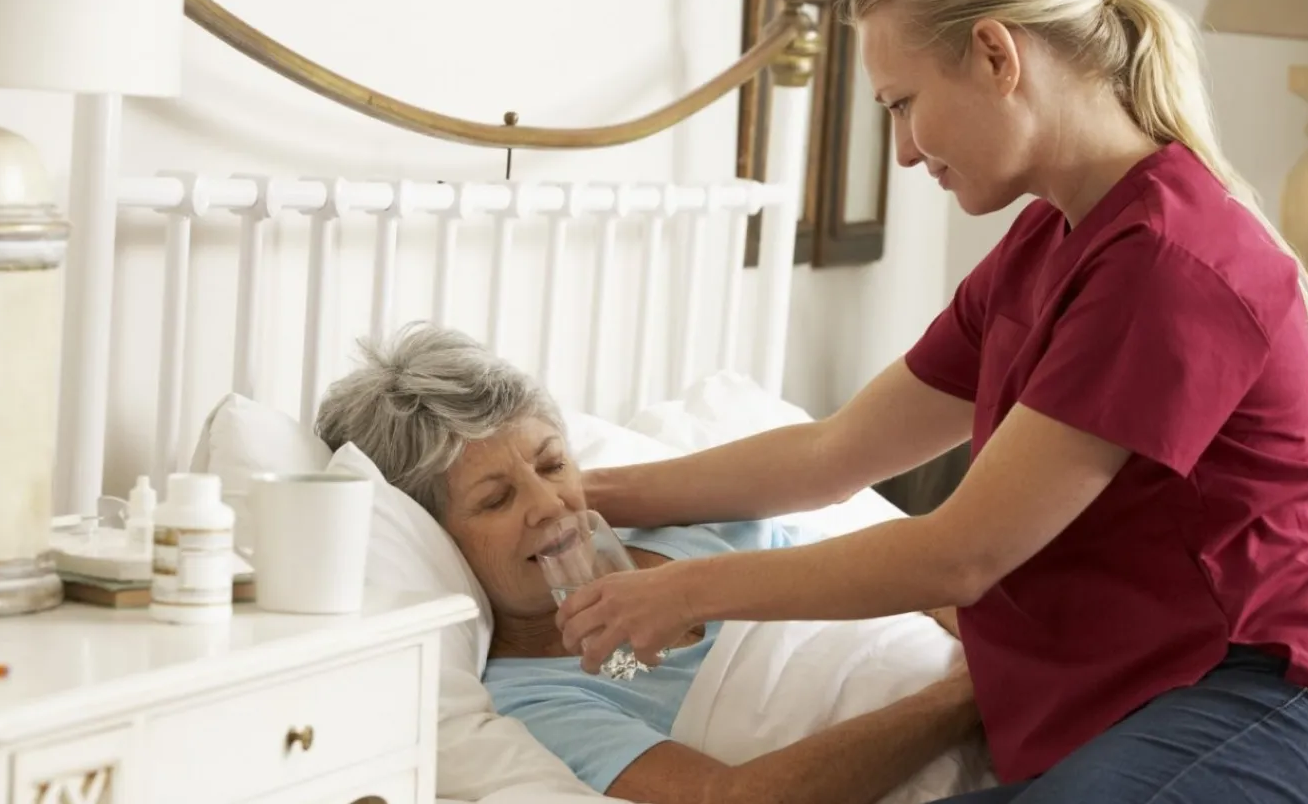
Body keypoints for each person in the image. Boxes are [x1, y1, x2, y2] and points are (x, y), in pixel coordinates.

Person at [554, 0, 1308, 802]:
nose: (900, 151)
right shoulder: (1045, 245)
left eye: (904, 104)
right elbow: (831, 454)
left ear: (998, 55)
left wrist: (682, 592)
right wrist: (584, 496)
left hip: (1267, 706)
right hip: (1127, 725)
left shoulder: (1166, 258)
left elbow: (961, 555)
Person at [313, 324, 986, 804]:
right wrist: (967, 697)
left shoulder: (690, 527)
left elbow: (900, 572)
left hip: (1025, 682)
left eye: (552, 464)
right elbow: (732, 799)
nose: (551, 504)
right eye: (495, 499)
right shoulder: (535, 698)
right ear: (438, 543)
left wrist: (987, 641)